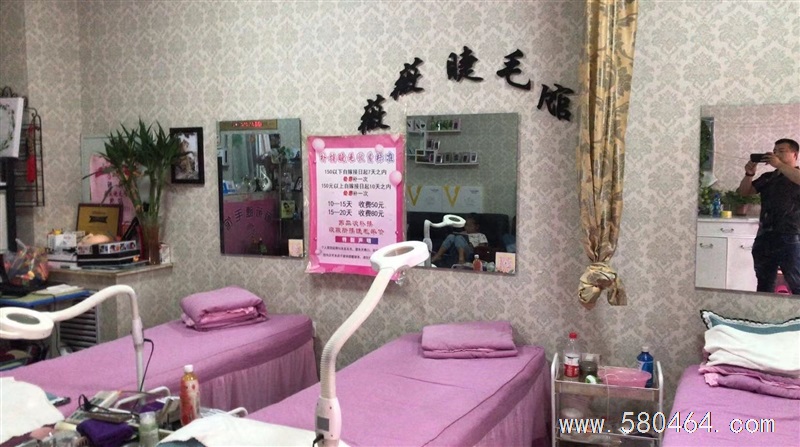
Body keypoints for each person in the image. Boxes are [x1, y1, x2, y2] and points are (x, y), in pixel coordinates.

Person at [737, 138, 800, 294]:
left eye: (782, 151)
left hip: (791, 236)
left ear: (795, 155)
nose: (776, 154)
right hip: (765, 235)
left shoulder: (796, 174)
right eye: (775, 151)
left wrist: (779, 165)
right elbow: (744, 192)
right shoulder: (768, 177)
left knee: (797, 283)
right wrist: (749, 174)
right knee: (764, 283)